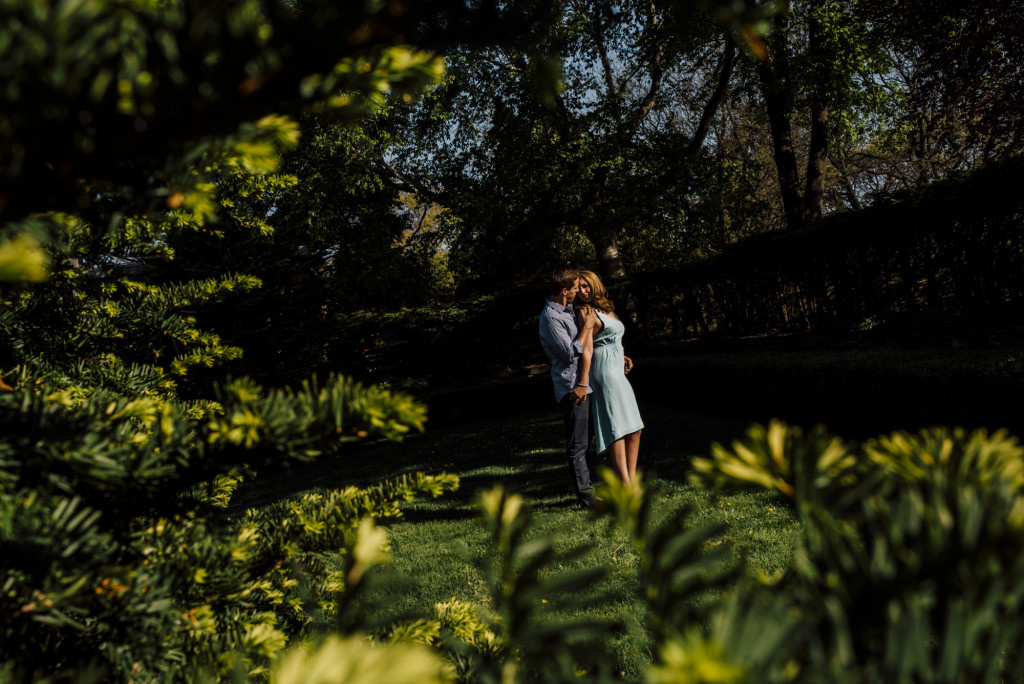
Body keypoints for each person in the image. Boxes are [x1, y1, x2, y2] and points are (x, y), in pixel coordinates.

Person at [574, 269, 643, 485]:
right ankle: (626, 484)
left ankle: (630, 481)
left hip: (617, 370)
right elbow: (585, 349)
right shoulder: (586, 312)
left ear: (595, 284)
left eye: (586, 286)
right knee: (617, 428)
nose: (582, 291)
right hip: (603, 372)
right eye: (579, 288)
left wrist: (623, 355)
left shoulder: (607, 308)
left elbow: (611, 338)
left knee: (635, 428)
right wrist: (583, 383)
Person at [538, 266, 600, 508]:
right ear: (565, 291)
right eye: (575, 288)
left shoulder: (568, 310)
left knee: (587, 441)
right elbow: (570, 353)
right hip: (572, 388)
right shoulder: (550, 317)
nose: (578, 291)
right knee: (577, 445)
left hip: (586, 385)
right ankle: (587, 498)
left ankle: (589, 490)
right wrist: (586, 327)